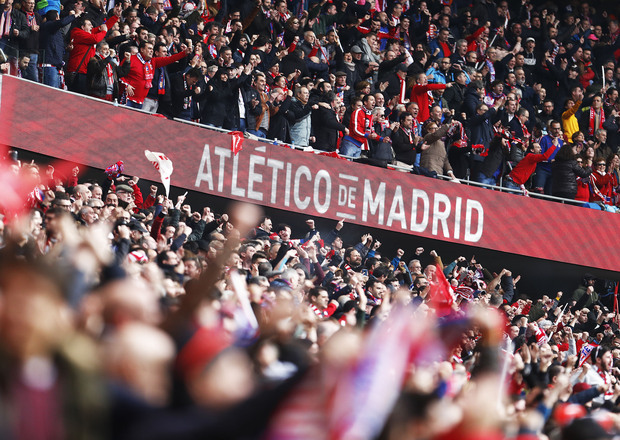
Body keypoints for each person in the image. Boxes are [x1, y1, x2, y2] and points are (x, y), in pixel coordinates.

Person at [120, 40, 191, 109]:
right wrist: (126, 84)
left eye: (152, 49)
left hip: (141, 102)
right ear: (142, 49)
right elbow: (119, 74)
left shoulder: (153, 62)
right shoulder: (131, 59)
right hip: (128, 98)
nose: (152, 51)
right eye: (149, 48)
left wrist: (184, 53)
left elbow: (170, 59)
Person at [66, 15, 119, 94]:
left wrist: (116, 16)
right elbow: (96, 39)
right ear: (82, 27)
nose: (92, 26)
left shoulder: (89, 33)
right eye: (89, 24)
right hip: (78, 73)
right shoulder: (77, 33)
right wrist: (104, 31)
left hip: (86, 72)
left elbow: (104, 27)